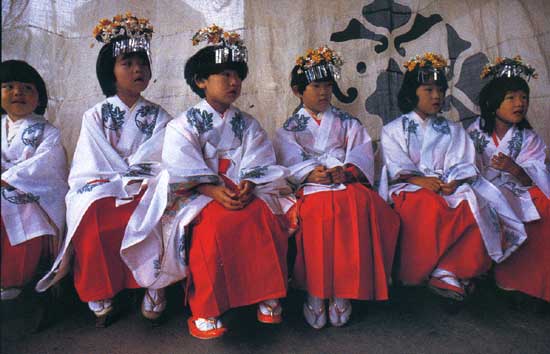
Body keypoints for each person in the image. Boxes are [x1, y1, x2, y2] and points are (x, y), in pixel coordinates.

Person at [36, 12, 173, 326]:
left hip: (146, 184)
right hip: (104, 182)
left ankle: (153, 284)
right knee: (92, 215)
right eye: (127, 63)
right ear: (110, 71)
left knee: (158, 211)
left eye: (143, 62)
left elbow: (163, 155)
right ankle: (101, 292)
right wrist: (122, 178)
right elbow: (91, 159)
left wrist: (139, 178)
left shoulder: (160, 116)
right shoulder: (95, 115)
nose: (137, 69)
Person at [161, 25, 292, 339]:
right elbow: (179, 167)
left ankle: (267, 295)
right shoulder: (182, 125)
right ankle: (206, 308)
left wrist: (248, 183)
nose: (234, 82)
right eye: (224, 75)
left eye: (237, 75)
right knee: (213, 227)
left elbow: (260, 159)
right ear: (201, 81)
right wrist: (210, 189)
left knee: (264, 216)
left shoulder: (247, 123)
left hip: (240, 191)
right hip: (199, 195)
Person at [379, 52, 526, 302]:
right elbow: (396, 165)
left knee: (474, 203)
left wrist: (454, 180)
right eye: (428, 90)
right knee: (424, 204)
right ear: (412, 92)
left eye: (440, 89)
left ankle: (450, 270)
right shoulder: (392, 130)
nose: (436, 96)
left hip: (448, 183)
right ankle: (419, 272)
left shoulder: (453, 129)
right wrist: (419, 181)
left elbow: (463, 161)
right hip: (410, 186)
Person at [273, 46, 400, 328]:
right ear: (297, 90)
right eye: (316, 86)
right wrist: (309, 173)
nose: (323, 93)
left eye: (328, 86)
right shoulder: (289, 127)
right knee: (317, 212)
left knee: (358, 205)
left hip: (345, 182)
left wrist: (346, 171)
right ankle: (316, 291)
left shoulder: (347, 122)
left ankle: (344, 290)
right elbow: (287, 158)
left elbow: (362, 152)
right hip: (312, 185)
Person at [468, 56, 549, 303]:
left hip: (518, 190)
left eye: (523, 97)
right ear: (494, 103)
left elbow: (538, 177)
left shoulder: (529, 138)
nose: (520, 103)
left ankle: (533, 285)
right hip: (482, 191)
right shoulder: (473, 133)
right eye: (511, 97)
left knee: (544, 210)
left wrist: (515, 169)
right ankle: (497, 278)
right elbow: (463, 167)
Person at [1, 60, 68, 301]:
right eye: (8, 86)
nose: (18, 92)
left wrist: (8, 178)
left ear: (39, 98)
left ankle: (13, 279)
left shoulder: (48, 132)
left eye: (27, 88)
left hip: (33, 196)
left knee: (25, 218)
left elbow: (47, 166)